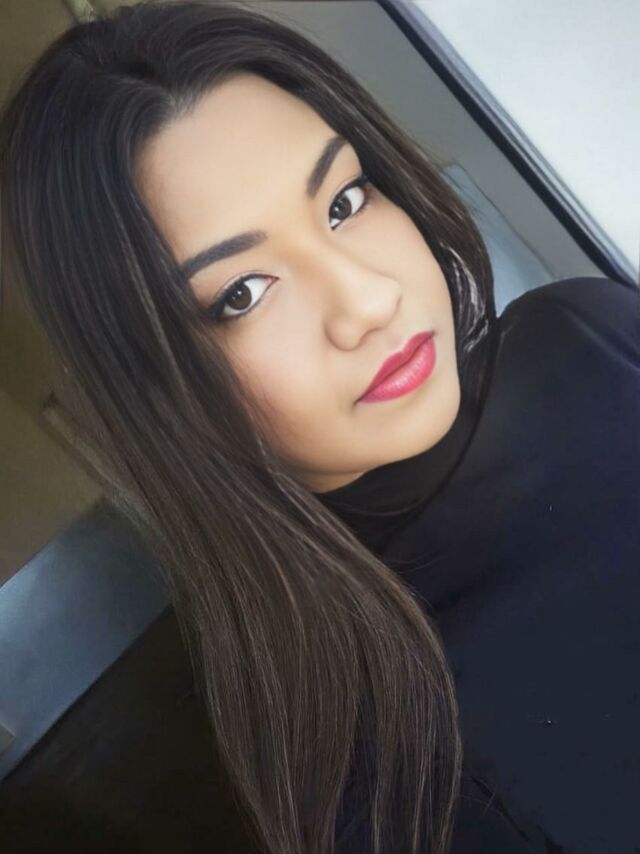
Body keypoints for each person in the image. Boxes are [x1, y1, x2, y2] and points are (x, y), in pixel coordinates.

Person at [0, 1, 636, 852]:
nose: (368, 300)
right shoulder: (380, 772)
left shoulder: (583, 328)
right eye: (241, 294)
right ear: (155, 393)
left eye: (344, 201)